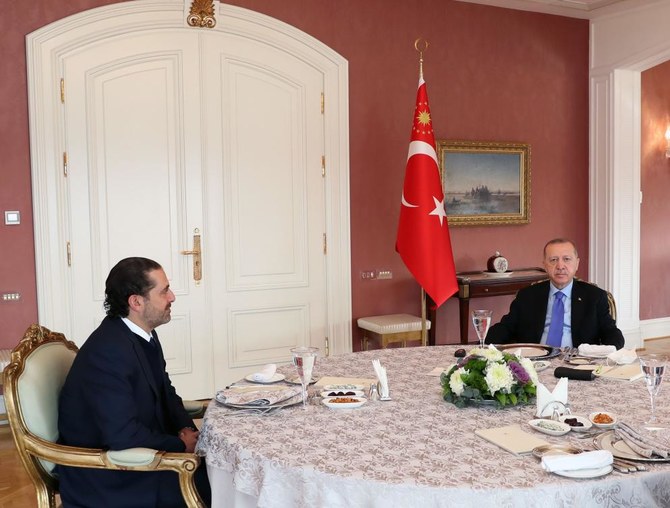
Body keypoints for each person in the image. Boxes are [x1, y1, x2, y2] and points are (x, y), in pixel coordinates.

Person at [58, 257, 211, 507]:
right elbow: (122, 434)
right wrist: (179, 444)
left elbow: (166, 393)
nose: (172, 297)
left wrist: (187, 431)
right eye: (164, 291)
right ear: (136, 302)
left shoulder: (142, 333)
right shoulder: (108, 351)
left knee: (224, 469)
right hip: (109, 476)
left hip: (138, 455)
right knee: (216, 483)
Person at [486, 238, 624, 349]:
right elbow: (505, 328)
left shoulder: (595, 297)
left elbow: (612, 334)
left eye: (567, 259)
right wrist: (484, 344)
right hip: (535, 363)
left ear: (577, 264)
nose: (560, 266)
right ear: (545, 265)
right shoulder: (527, 296)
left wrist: (602, 354)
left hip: (578, 364)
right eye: (553, 260)